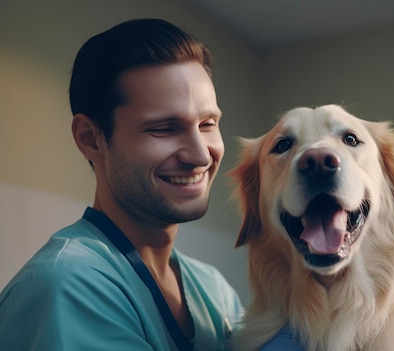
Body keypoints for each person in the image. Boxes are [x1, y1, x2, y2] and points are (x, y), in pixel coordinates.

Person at [0, 18, 242, 350]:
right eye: (164, 128)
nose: (200, 155)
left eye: (207, 124)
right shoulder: (68, 286)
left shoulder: (215, 291)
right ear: (90, 139)